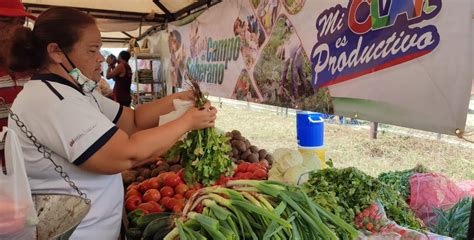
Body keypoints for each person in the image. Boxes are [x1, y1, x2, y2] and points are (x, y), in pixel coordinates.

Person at [3, 7, 217, 239]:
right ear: (56, 52)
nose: (101, 58)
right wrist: (188, 122)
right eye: (92, 50)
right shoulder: (53, 101)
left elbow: (134, 120)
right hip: (79, 232)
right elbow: (126, 154)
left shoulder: (76, 91)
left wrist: (179, 99)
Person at [0, 0, 36, 174]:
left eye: (20, 23)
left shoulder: (35, 69)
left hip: (31, 176)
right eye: (5, 21)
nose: (15, 30)